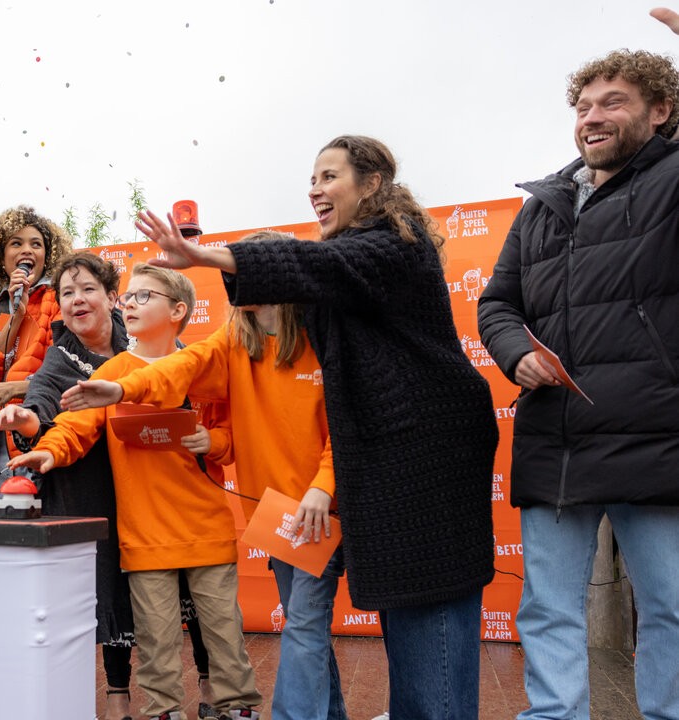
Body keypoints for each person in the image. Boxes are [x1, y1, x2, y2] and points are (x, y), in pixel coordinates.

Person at [136, 135, 498, 719]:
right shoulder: (336, 271)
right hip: (372, 472)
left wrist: (209, 257)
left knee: (431, 618)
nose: (315, 189)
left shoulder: (392, 245)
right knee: (403, 620)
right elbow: (301, 283)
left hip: (427, 458)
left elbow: (316, 265)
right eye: (313, 178)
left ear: (373, 183)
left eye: (329, 176)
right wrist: (128, 381)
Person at [64, 233, 344, 720]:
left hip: (327, 506)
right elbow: (181, 366)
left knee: (303, 624)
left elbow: (346, 429)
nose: (240, 282)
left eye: (248, 271)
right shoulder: (236, 337)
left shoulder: (324, 333)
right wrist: (121, 386)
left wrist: (322, 487)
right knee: (307, 627)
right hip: (276, 512)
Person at [477, 48, 679, 720]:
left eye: (613, 102)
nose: (593, 117)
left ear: (660, 112)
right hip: (556, 438)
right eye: (584, 106)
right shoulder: (542, 205)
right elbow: (497, 304)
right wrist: (514, 354)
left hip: (654, 434)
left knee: (671, 609)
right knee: (546, 610)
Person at [6, 265, 262, 720]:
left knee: (224, 635)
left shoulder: (203, 365)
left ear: (179, 310)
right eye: (131, 296)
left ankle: (237, 709)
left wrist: (215, 442)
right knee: (157, 642)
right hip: (143, 539)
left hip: (207, 532)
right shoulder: (114, 372)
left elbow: (232, 432)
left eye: (145, 296)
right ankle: (164, 711)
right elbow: (75, 426)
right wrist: (47, 452)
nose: (130, 304)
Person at [0, 252, 138, 719]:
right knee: (99, 583)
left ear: (112, 296)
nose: (77, 301)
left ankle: (186, 682)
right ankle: (108, 693)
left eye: (88, 289)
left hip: (140, 485)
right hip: (80, 485)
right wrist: (28, 418)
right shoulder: (59, 354)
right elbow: (42, 398)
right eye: (67, 293)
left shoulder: (140, 348)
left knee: (149, 586)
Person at [0, 205, 72, 509]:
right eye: (16, 243)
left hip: (49, 434)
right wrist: (14, 318)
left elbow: (67, 370)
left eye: (36, 244)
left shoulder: (60, 300)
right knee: (8, 544)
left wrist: (14, 388)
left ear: (46, 256)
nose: (27, 250)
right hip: (0, 446)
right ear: (0, 256)